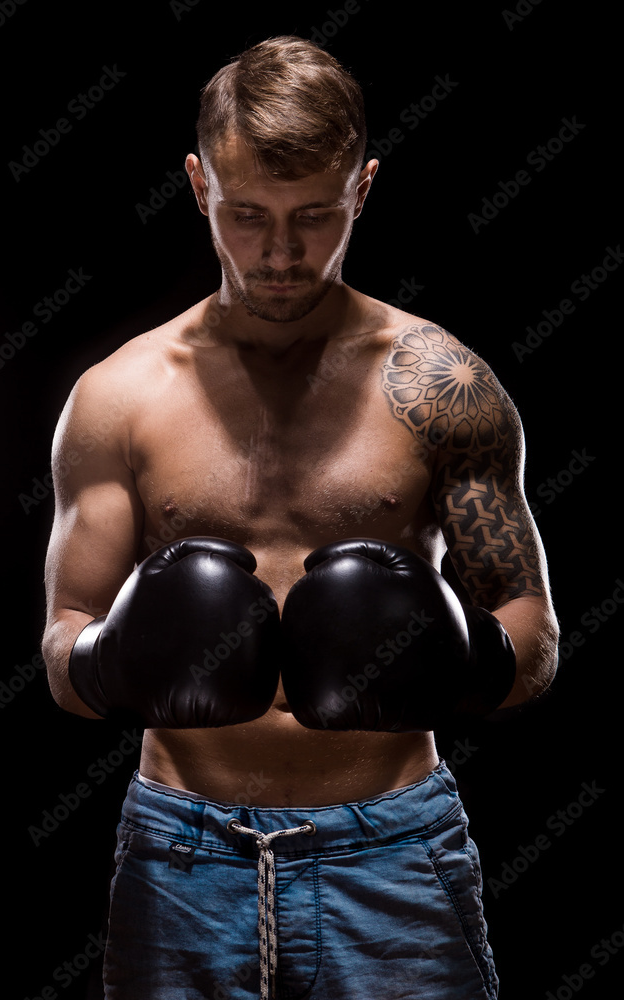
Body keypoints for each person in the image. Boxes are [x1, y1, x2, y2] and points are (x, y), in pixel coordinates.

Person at [41, 35, 559, 1000]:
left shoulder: (443, 387)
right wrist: (109, 658)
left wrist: (464, 660)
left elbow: (532, 625)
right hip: (181, 857)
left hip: (393, 847)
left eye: (315, 216)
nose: (280, 253)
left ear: (362, 188)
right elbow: (60, 646)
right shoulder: (119, 398)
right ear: (197, 185)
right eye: (246, 216)